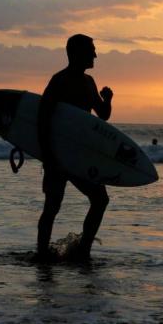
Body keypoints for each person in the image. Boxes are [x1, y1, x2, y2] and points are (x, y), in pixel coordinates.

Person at [36, 34, 113, 261]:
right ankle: (41, 254)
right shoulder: (59, 81)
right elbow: (42, 119)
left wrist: (107, 98)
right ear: (77, 53)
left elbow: (103, 115)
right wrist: (48, 156)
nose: (95, 55)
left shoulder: (89, 82)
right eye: (92, 50)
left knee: (100, 200)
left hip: (79, 157)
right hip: (58, 155)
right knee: (52, 207)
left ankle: (83, 250)